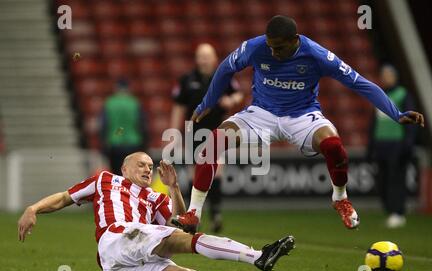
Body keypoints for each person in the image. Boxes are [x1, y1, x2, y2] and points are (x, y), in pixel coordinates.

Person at [186, 15, 425, 230]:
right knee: (213, 143)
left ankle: (340, 197)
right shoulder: (256, 47)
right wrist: (208, 101)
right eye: (271, 47)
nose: (274, 53)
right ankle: (193, 214)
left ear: (295, 40)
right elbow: (226, 68)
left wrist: (395, 113)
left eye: (279, 48)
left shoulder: (317, 55)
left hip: (302, 116)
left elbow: (358, 82)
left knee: (334, 146)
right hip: (261, 114)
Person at [17, 152, 295, 271]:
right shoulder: (105, 180)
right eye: (141, 165)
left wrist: (174, 188)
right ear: (124, 167)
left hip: (130, 253)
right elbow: (66, 196)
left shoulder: (155, 197)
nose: (148, 169)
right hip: (118, 235)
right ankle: (257, 256)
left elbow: (187, 224)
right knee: (187, 243)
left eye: (151, 167)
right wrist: (33, 208)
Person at [171, 43, 244, 233]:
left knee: (216, 172)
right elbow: (178, 107)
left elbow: (238, 94)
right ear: (196, 59)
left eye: (207, 56)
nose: (203, 60)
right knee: (194, 174)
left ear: (214, 59)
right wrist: (173, 134)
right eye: (200, 56)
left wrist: (232, 100)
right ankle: (192, 216)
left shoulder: (223, 77)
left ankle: (216, 215)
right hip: (192, 131)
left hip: (216, 130)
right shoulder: (187, 79)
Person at [368, 65, 418, 228]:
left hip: (397, 143)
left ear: (395, 77)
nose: (386, 78)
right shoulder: (379, 95)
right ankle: (390, 210)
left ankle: (398, 212)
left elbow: (410, 120)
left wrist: (408, 143)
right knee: (382, 180)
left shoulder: (403, 94)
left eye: (389, 75)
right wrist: (371, 146)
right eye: (383, 75)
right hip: (381, 144)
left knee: (396, 179)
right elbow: (374, 122)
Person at [101, 78, 149, 175]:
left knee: (117, 176)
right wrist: (145, 143)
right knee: (133, 175)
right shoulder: (134, 103)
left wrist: (104, 143)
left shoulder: (110, 103)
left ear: (116, 88)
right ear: (128, 88)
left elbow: (104, 125)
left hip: (115, 143)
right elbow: (142, 124)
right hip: (133, 143)